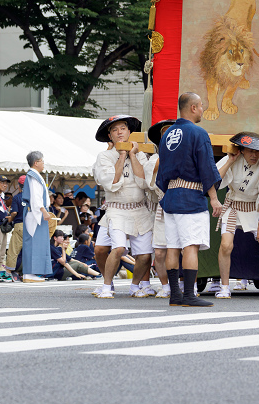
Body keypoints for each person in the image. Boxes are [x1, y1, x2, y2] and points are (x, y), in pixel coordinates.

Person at [156, 92, 222, 307]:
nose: (203, 110)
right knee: (191, 246)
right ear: (193, 108)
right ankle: (189, 295)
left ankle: (175, 295)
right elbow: (206, 167)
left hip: (171, 197)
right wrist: (213, 198)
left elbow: (161, 173)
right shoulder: (198, 133)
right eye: (201, 106)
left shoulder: (166, 135)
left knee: (173, 247)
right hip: (191, 197)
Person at [92, 114, 155, 299]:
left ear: (129, 132)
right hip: (116, 209)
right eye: (114, 129)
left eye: (123, 128)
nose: (119, 132)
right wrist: (121, 156)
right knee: (116, 248)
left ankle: (135, 286)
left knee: (144, 254)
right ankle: (107, 285)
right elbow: (111, 181)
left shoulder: (140, 154)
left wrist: (133, 155)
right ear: (109, 136)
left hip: (139, 208)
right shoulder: (104, 156)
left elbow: (144, 182)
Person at [215, 132, 259, 299]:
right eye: (250, 150)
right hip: (234, 206)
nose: (254, 155)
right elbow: (215, 180)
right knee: (226, 245)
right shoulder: (234, 158)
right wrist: (229, 161)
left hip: (255, 209)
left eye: (258, 151)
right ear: (242, 149)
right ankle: (224, 286)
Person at [145, 118, 176, 299]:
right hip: (163, 206)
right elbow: (151, 182)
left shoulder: (189, 155)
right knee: (160, 251)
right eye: (166, 134)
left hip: (184, 205)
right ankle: (165, 285)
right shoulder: (155, 159)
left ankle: (188, 284)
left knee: (186, 248)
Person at [22, 152, 53, 283]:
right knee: (33, 243)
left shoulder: (34, 175)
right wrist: (43, 211)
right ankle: (29, 273)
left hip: (36, 211)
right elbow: (36, 197)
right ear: (36, 163)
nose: (43, 163)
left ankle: (31, 272)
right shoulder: (33, 176)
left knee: (36, 243)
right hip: (35, 212)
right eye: (42, 161)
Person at [5, 175, 26, 276]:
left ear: (18, 186)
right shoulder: (34, 197)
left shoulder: (17, 197)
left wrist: (10, 218)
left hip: (20, 225)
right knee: (29, 250)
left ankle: (9, 272)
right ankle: (30, 272)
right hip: (33, 226)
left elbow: (14, 213)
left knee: (13, 250)